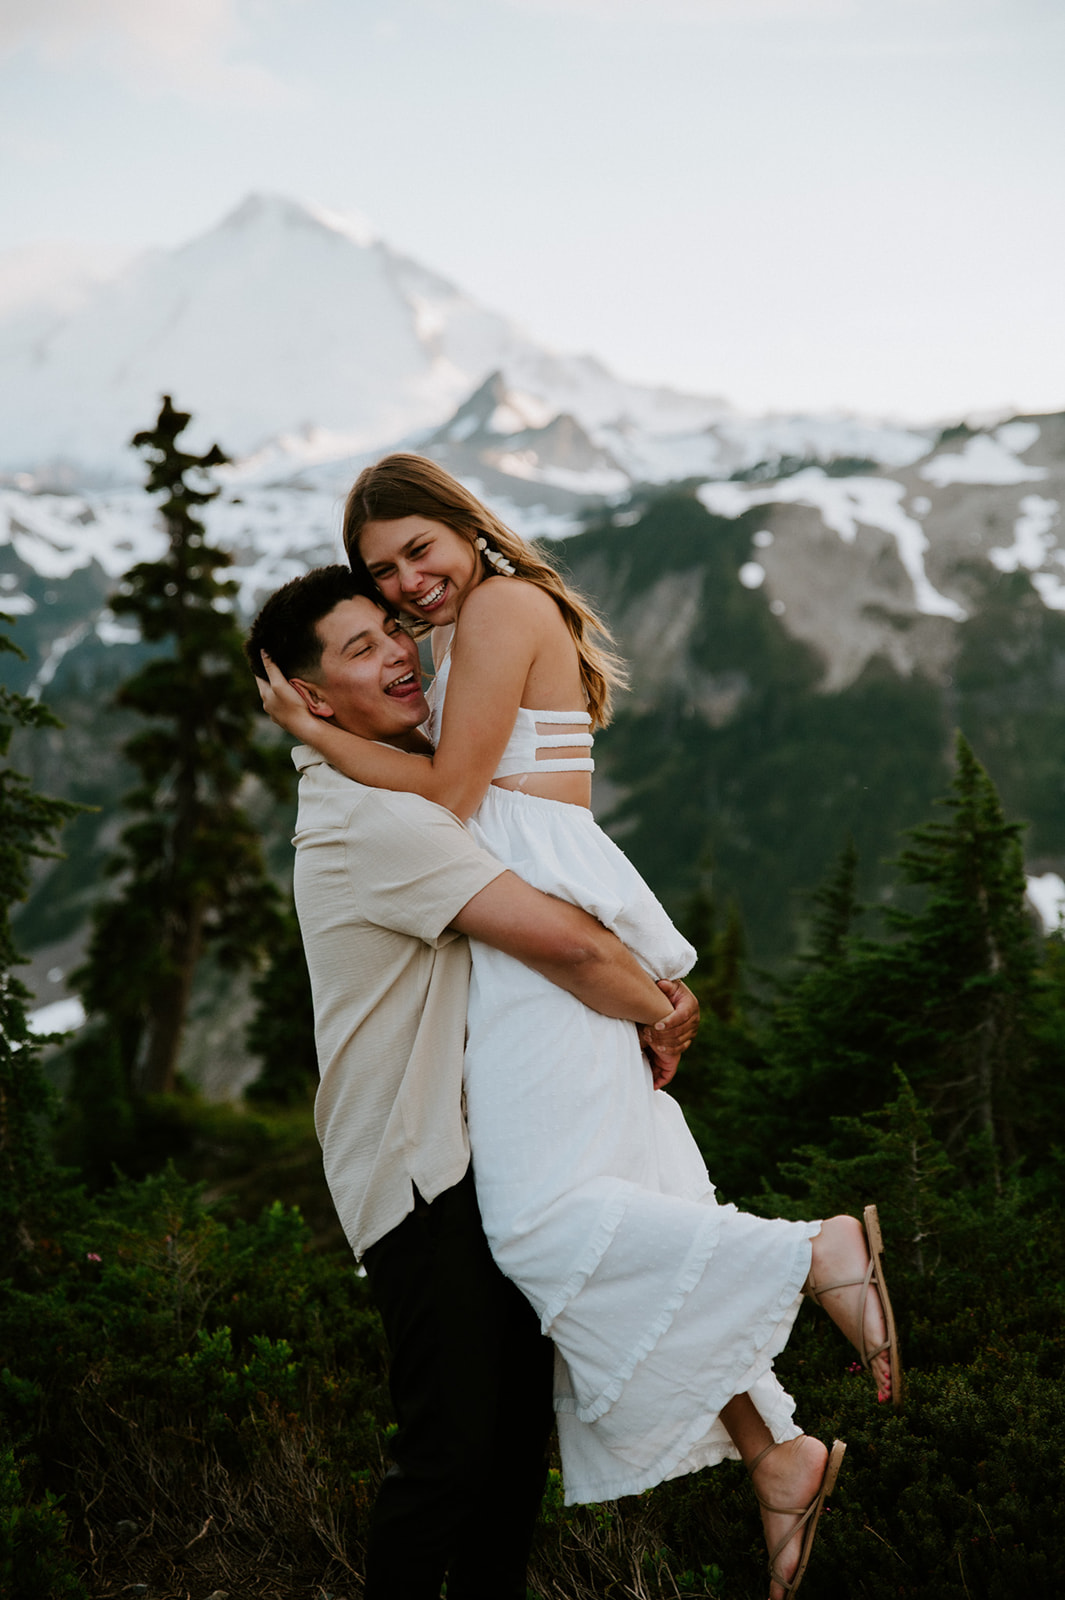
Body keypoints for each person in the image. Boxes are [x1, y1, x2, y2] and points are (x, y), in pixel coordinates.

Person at [257, 458, 903, 1600]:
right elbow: (456, 799)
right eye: (380, 581)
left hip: (546, 936)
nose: (407, 594)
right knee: (619, 1224)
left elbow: (455, 795)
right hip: (538, 953)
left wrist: (309, 733)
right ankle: (778, 1447)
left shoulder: (497, 611)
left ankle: (813, 1259)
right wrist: (649, 987)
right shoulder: (450, 660)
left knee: (552, 1232)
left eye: (418, 553)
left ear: (466, 524)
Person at [244, 566, 700, 1600]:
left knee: (504, 1465)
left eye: (392, 629)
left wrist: (653, 987)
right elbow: (562, 944)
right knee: (448, 1459)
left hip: (495, 1154)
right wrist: (659, 1004)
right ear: (312, 698)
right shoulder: (369, 812)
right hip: (423, 1171)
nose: (398, 652)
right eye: (357, 649)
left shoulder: (422, 780)